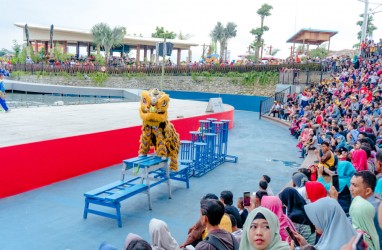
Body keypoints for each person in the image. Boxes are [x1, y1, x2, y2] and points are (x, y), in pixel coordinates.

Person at [349, 171, 382, 246]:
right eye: (350, 184)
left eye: (354, 185)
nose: (350, 188)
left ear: (368, 191)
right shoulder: (374, 199)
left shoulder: (366, 209)